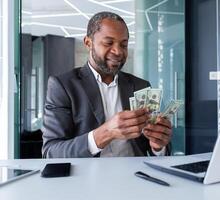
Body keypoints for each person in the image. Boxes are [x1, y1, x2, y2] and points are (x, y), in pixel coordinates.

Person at [41, 11, 172, 158]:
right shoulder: (63, 86)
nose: (118, 51)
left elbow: (154, 150)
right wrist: (105, 133)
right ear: (88, 43)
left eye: (124, 44)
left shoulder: (140, 85)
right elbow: (51, 152)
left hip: (136, 175)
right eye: (108, 43)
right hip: (87, 178)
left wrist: (159, 146)